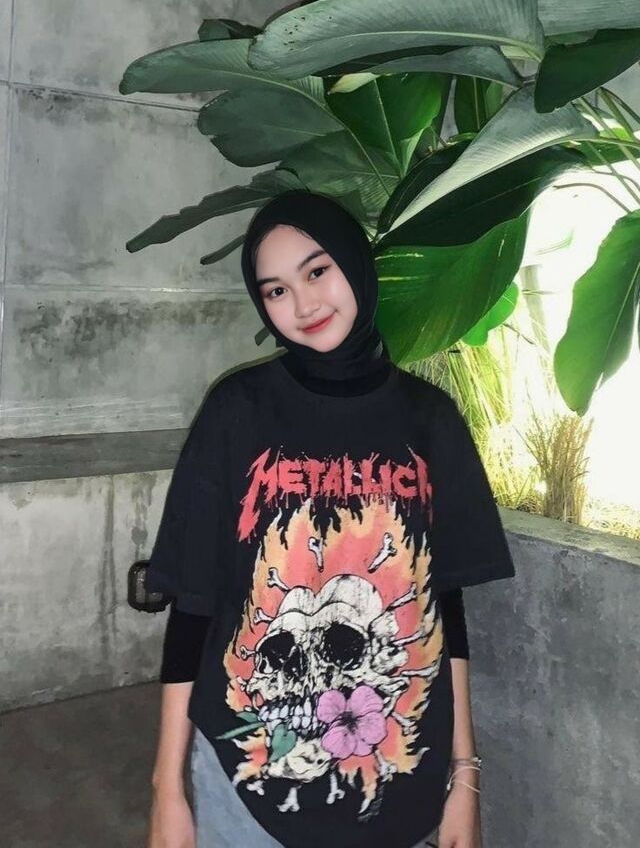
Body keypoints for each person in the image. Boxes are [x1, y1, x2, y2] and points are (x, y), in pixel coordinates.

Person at [145, 189, 516, 848]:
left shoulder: (430, 420)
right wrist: (167, 788)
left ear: (354, 264)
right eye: (276, 290)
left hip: (400, 784)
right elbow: (194, 606)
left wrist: (466, 776)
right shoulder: (237, 411)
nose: (304, 303)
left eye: (317, 271)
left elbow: (444, 611)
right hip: (244, 788)